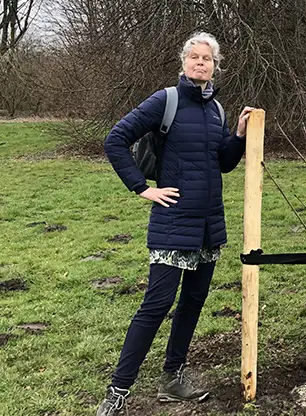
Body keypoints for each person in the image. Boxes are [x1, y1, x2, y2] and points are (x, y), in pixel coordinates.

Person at [96, 32, 255, 416]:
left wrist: (238, 136)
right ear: (184, 62)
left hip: (208, 225)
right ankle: (118, 390)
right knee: (156, 304)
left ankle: (173, 376)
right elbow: (115, 140)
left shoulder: (216, 110)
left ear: (215, 66)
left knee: (193, 302)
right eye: (194, 57)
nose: (201, 63)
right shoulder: (165, 101)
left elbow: (224, 163)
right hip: (173, 222)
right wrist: (142, 188)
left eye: (207, 58)